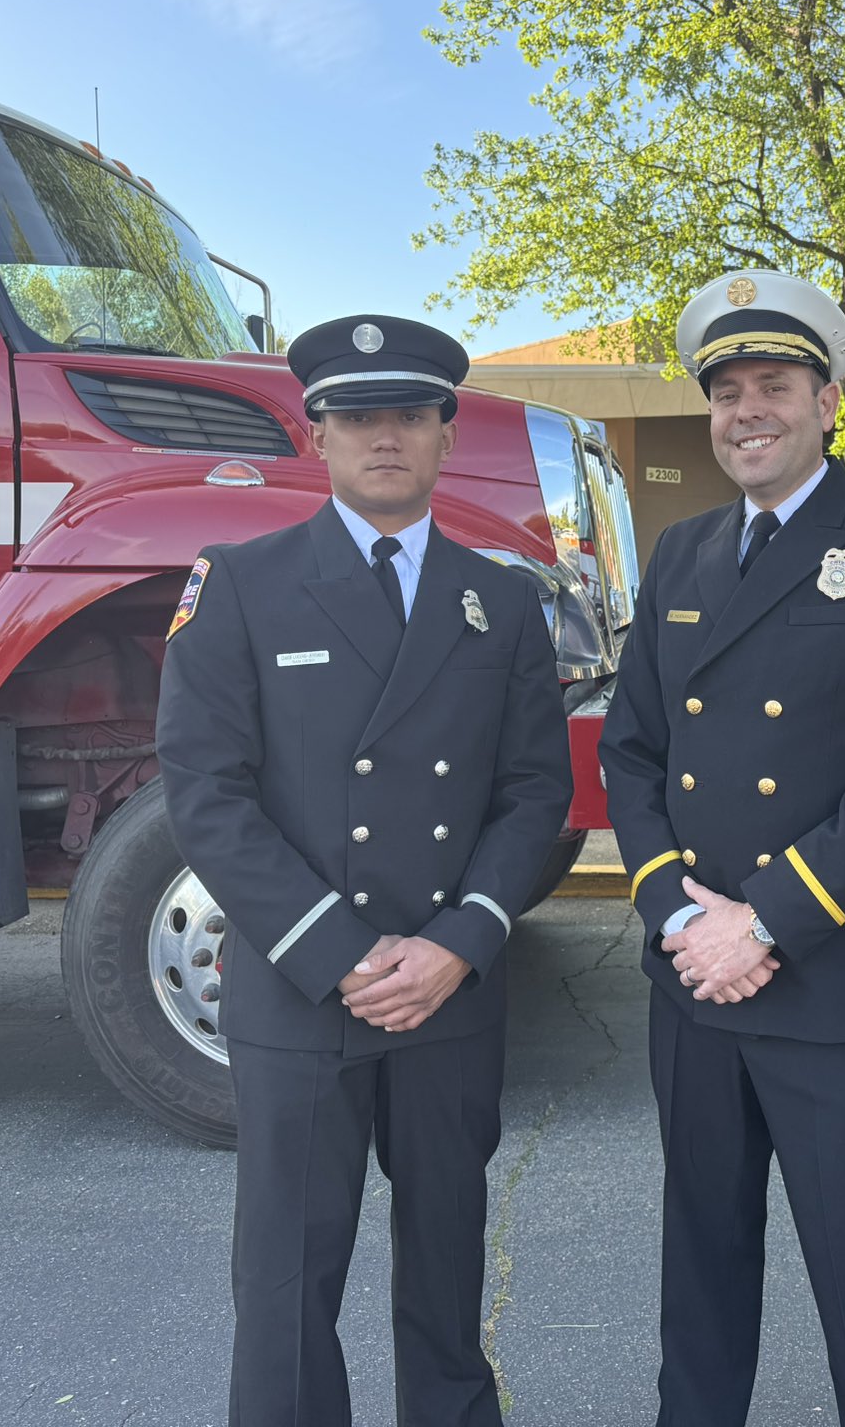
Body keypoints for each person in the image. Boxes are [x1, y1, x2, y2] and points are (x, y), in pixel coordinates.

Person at [156, 314, 573, 1427]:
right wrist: (339, 955)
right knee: (287, 1286)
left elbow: (534, 791)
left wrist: (458, 942)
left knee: (447, 1272)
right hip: (301, 990)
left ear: (444, 434)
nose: (383, 437)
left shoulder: (504, 600)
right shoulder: (240, 582)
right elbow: (204, 789)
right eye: (357, 417)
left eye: (408, 416)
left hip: (447, 990)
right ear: (318, 435)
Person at [599, 268, 845, 1427]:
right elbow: (632, 754)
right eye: (726, 393)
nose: (745, 411)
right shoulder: (682, 555)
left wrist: (759, 923)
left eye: (773, 385)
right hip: (695, 982)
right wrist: (679, 917)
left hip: (827, 981)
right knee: (701, 1266)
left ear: (826, 399)